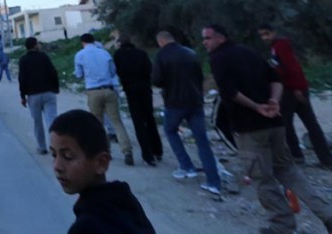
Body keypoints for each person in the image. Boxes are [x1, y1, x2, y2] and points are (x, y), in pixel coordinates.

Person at [202, 24, 332, 234]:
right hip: (275, 123)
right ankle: (329, 214)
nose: (204, 42)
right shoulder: (249, 52)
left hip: (249, 128)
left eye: (207, 38)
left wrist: (257, 107)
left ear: (220, 38)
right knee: (289, 171)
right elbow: (275, 79)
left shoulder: (218, 59)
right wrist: (274, 102)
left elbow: (230, 92)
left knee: (262, 179)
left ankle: (282, 226)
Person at [49, 109, 156, 234]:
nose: (57, 166)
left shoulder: (87, 227)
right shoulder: (124, 200)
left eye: (68, 156)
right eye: (53, 154)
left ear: (101, 163)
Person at [258, 23, 332, 170]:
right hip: (295, 89)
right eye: (262, 35)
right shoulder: (277, 46)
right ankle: (326, 160)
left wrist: (296, 89)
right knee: (309, 124)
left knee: (290, 124)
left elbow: (292, 68)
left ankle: (298, 156)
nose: (265, 37)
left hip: (292, 90)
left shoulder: (280, 46)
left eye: (267, 34)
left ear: (274, 32)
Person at [152, 30, 222, 196]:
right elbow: (200, 77)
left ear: (161, 41)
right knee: (202, 140)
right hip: (195, 101)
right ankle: (214, 182)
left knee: (170, 130)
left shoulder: (161, 55)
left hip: (175, 102)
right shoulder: (190, 53)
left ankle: (186, 166)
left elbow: (156, 80)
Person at [74, 33, 134, 166]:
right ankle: (127, 151)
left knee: (98, 124)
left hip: (93, 91)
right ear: (93, 41)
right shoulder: (104, 53)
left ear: (82, 42)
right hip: (109, 89)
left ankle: (106, 152)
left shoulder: (80, 55)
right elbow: (113, 72)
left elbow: (78, 75)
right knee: (116, 121)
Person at [113, 34, 163, 167]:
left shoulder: (118, 55)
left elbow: (118, 71)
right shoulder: (141, 53)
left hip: (131, 90)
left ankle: (148, 156)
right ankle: (158, 150)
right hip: (145, 89)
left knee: (138, 123)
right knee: (150, 118)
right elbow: (149, 69)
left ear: (119, 43)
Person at [17, 36, 60, 155]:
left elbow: (22, 79)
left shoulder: (23, 60)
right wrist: (56, 88)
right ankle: (55, 148)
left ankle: (42, 147)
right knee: (52, 120)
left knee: (37, 122)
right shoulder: (44, 57)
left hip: (33, 95)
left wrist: (22, 96)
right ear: (35, 45)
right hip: (48, 93)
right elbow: (53, 72)